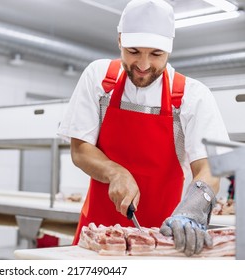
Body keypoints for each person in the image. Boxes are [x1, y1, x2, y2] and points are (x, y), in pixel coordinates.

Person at [57, 0, 230, 257]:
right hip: (99, 234)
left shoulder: (191, 96)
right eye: (134, 51)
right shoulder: (99, 79)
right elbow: (80, 149)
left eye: (156, 54)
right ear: (119, 40)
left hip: (165, 235)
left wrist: (193, 208)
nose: (144, 65)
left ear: (169, 50)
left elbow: (209, 168)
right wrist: (115, 173)